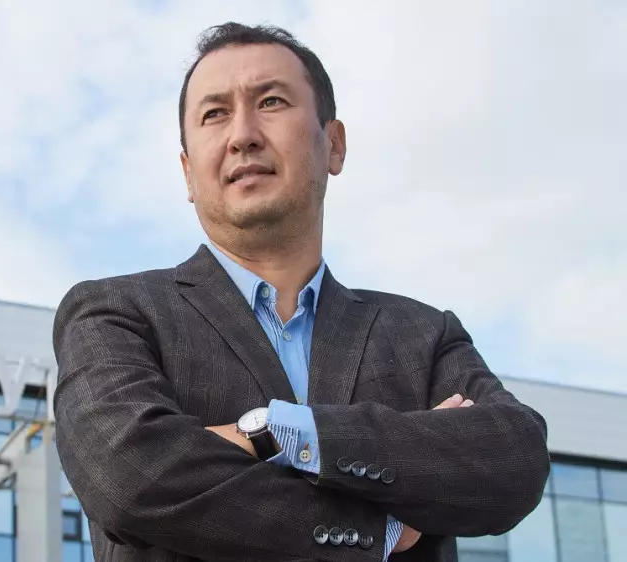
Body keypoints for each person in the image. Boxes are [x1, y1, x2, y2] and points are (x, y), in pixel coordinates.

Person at [51, 21, 550, 562]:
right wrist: (375, 527)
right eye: (214, 114)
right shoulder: (114, 315)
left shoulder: (423, 334)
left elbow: (514, 459)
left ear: (333, 145)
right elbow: (131, 477)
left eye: (270, 101)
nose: (242, 135)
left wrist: (282, 432)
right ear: (188, 174)